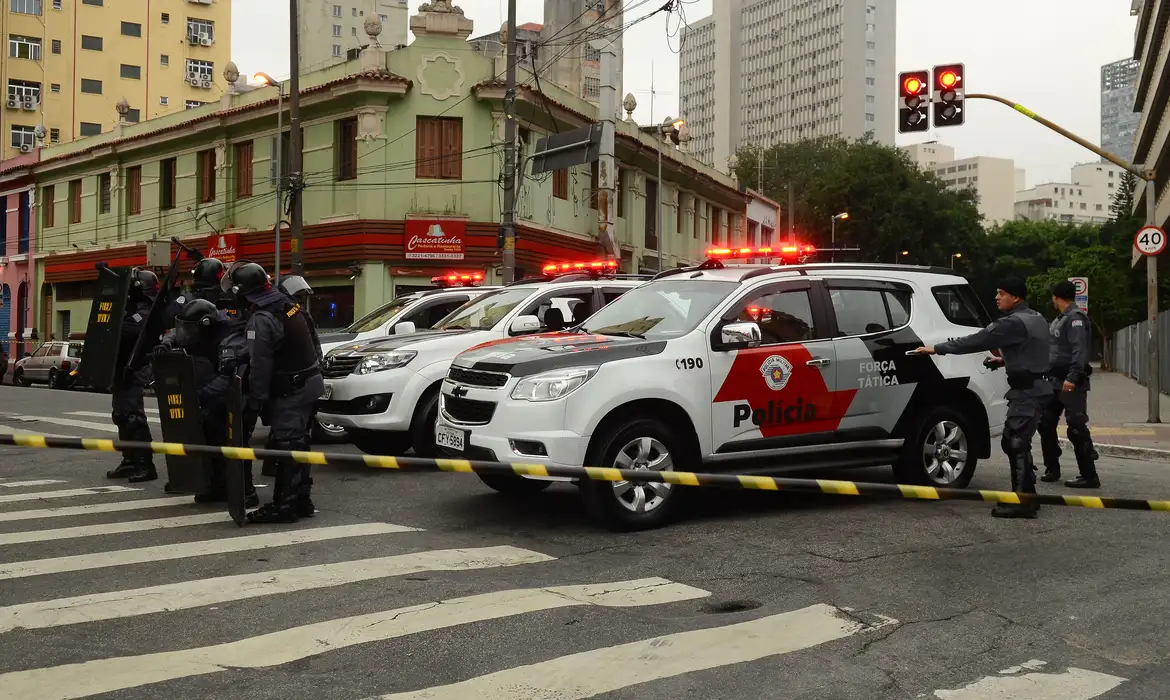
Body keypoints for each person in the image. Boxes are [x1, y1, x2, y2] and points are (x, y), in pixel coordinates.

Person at [912, 277, 1051, 518]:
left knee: (1015, 441)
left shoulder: (1011, 323)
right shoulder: (1036, 318)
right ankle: (1029, 497)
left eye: (1001, 293)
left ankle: (1022, 503)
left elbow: (976, 341)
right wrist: (1003, 360)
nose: (996, 297)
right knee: (1017, 441)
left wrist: (937, 348)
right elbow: (1031, 348)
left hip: (1028, 391)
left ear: (1015, 297)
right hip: (1036, 387)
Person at [223, 261, 324, 523]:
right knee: (300, 442)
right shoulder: (288, 305)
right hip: (310, 383)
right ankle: (302, 499)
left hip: (291, 389)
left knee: (287, 445)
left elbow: (261, 366)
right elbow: (310, 342)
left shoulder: (261, 318)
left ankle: (285, 505)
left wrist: (255, 402)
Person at [168, 298, 260, 506]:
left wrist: (197, 397)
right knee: (211, 440)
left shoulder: (230, 341)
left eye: (191, 328)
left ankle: (246, 491)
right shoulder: (202, 334)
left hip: (240, 397)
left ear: (206, 324)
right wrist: (168, 343)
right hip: (216, 399)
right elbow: (182, 333)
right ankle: (218, 487)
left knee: (235, 444)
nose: (186, 333)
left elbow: (227, 380)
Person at [1038, 280, 1099, 488]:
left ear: (1056, 297)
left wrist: (1073, 377)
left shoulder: (1075, 319)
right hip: (1055, 381)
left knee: (1076, 428)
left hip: (1070, 382)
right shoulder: (1060, 319)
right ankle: (1052, 468)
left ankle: (1090, 476)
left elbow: (1079, 350)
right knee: (1045, 423)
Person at [107, 267, 163, 483]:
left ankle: (144, 464)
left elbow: (130, 329)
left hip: (138, 366)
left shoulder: (147, 310)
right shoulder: (131, 308)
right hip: (123, 367)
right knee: (121, 415)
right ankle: (129, 460)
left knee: (133, 417)